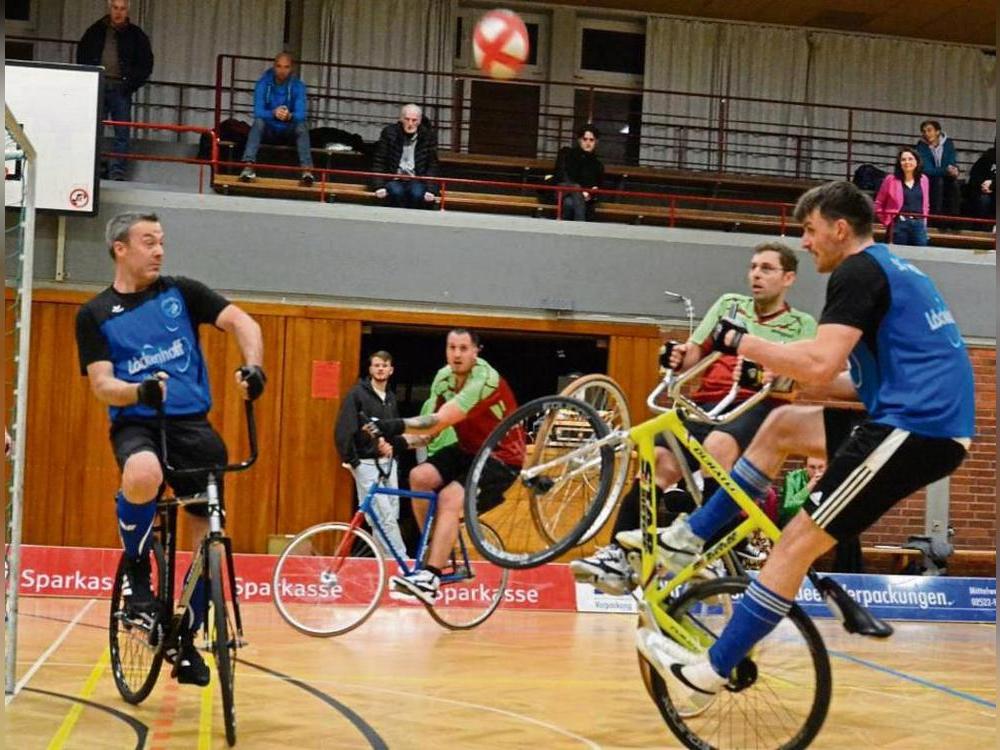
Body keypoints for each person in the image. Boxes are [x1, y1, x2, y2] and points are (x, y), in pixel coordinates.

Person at [635, 180, 973, 710]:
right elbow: (845, 380)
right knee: (783, 425)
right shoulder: (889, 268)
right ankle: (691, 538)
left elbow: (817, 362)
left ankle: (711, 669)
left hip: (916, 429)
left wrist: (739, 340)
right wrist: (780, 374)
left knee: (795, 543)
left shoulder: (857, 271)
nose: (807, 242)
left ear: (840, 229)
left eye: (811, 231)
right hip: (904, 414)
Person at [75, 212, 266, 686]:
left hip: (192, 426)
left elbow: (244, 323)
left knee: (209, 536)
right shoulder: (95, 314)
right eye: (148, 242)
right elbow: (101, 385)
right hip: (137, 422)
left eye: (161, 242)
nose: (159, 250)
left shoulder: (182, 292)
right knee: (143, 474)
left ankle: (186, 633)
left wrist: (253, 367)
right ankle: (139, 571)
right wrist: (139, 392)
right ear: (120, 248)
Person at [571, 242, 817, 594]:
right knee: (658, 462)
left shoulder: (801, 324)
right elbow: (694, 354)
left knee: (718, 448)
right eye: (753, 267)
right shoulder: (730, 304)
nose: (756, 275)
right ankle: (619, 555)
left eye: (766, 268)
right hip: (707, 403)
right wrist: (676, 355)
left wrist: (772, 374)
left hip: (758, 408)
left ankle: (712, 548)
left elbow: (801, 375)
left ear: (788, 277)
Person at [363, 329, 523, 603]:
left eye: (463, 348)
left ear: (476, 351)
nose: (457, 354)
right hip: (468, 450)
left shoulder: (485, 379)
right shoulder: (444, 377)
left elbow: (441, 419)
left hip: (502, 456)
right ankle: (435, 545)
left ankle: (432, 576)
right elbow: (429, 433)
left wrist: (392, 425)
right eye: (452, 348)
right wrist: (398, 442)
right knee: (419, 476)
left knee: (450, 497)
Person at [334, 351, 408, 556]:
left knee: (389, 514)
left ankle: (382, 563)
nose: (380, 369)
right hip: (366, 464)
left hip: (389, 463)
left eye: (384, 365)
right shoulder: (357, 395)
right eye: (376, 365)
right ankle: (401, 562)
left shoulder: (391, 397)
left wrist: (395, 447)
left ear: (391, 370)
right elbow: (344, 429)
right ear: (370, 369)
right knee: (382, 515)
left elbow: (393, 429)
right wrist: (353, 461)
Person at [76, 0, 153, 181]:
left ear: (127, 11)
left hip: (121, 88)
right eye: (115, 8)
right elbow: (82, 56)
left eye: (122, 9)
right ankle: (92, 169)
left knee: (122, 132)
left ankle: (117, 171)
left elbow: (146, 64)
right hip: (98, 85)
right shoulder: (94, 31)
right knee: (94, 130)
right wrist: (89, 80)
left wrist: (130, 84)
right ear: (109, 9)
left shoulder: (136, 35)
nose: (118, 12)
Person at [239, 52, 314, 186]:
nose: (282, 71)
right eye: (279, 66)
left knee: (301, 125)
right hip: (269, 129)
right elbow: (258, 112)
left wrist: (289, 116)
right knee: (258, 123)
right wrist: (273, 113)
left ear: (291, 68)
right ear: (274, 67)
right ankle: (248, 167)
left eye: (286, 67)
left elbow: (301, 114)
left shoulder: (298, 86)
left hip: (288, 130)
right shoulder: (263, 83)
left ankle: (307, 171)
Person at [369, 104, 439, 209]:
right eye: (407, 119)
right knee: (396, 192)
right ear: (401, 119)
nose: (410, 124)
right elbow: (379, 161)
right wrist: (378, 186)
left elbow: (432, 165)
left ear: (419, 121)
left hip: (417, 179)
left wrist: (431, 190)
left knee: (417, 194)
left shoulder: (428, 136)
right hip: (394, 178)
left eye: (414, 120)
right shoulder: (389, 133)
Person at [873, 148, 929, 246]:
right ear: (899, 163)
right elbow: (879, 203)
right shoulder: (890, 179)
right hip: (898, 224)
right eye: (903, 159)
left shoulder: (924, 179)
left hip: (919, 225)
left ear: (917, 161)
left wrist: (924, 222)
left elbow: (926, 204)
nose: (907, 162)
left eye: (910, 159)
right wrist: (887, 221)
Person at [914, 120, 961, 228]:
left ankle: (954, 219)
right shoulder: (921, 146)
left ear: (938, 131)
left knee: (954, 185)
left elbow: (951, 161)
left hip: (946, 176)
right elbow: (926, 169)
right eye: (924, 131)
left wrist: (954, 170)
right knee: (938, 182)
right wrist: (946, 170)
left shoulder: (948, 143)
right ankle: (937, 218)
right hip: (929, 178)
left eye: (929, 130)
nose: (926, 134)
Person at [554, 124, 604, 221]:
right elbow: (563, 176)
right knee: (576, 188)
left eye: (591, 140)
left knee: (569, 203)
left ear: (596, 142)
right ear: (579, 140)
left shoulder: (597, 164)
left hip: (582, 199)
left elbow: (597, 185)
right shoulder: (568, 154)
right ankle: (581, 225)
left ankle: (564, 227)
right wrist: (582, 191)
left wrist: (591, 192)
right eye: (585, 139)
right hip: (562, 190)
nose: (588, 143)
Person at [964, 140, 995, 221]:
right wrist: (983, 185)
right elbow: (974, 176)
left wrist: (993, 184)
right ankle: (982, 229)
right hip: (983, 192)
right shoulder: (986, 158)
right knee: (983, 200)